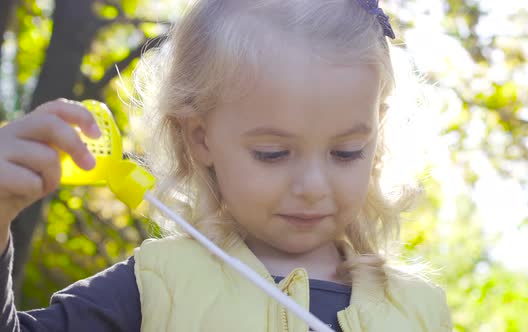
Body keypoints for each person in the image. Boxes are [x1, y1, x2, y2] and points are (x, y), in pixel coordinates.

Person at [0, 0, 452, 331]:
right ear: (200, 138)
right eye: (273, 153)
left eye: (347, 152)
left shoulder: (419, 309)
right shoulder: (158, 285)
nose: (314, 186)